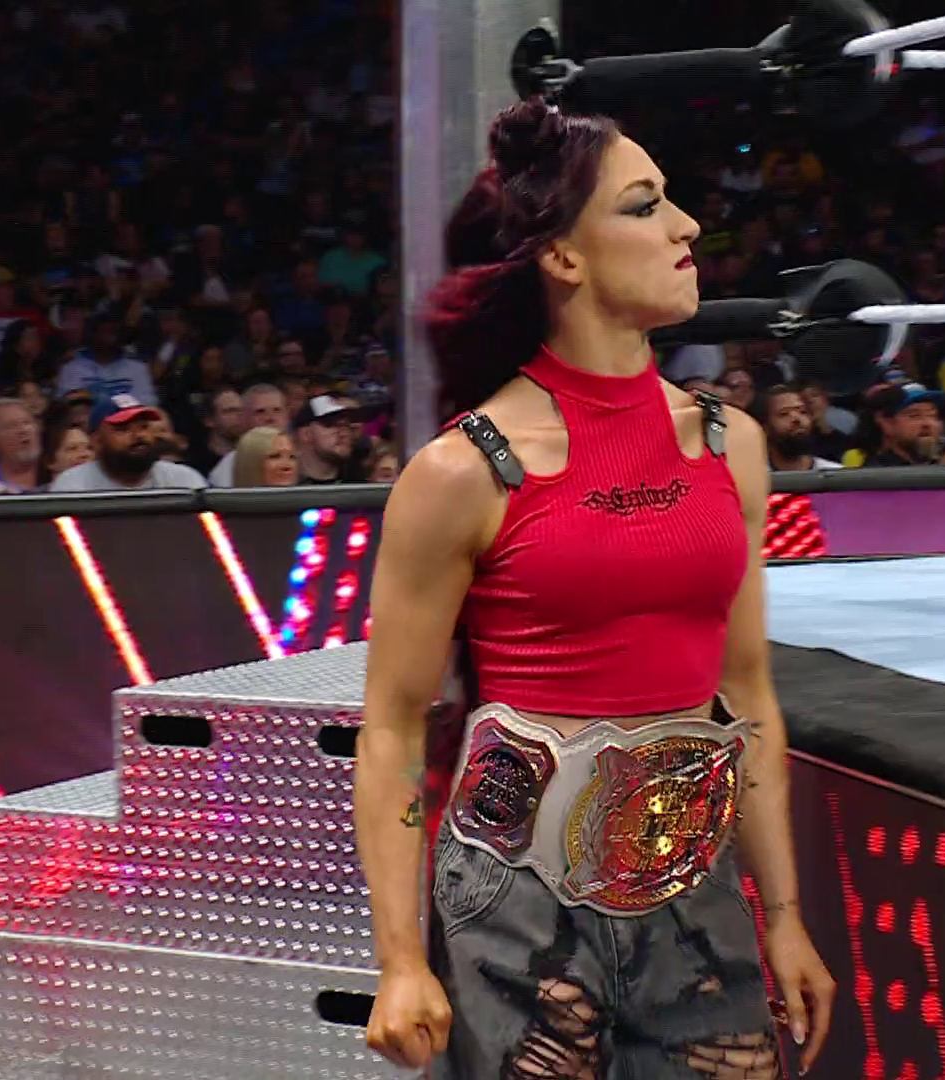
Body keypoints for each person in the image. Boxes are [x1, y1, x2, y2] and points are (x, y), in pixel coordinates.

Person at [356, 100, 833, 1080]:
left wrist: (783, 917)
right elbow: (393, 728)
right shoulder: (462, 473)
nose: (687, 226)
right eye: (644, 205)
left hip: (694, 888)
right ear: (563, 256)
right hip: (516, 900)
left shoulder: (732, 446)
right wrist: (399, 961)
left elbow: (746, 694)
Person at [49, 394, 208, 491]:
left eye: (143, 427)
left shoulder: (184, 480)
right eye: (123, 429)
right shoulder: (73, 486)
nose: (138, 436)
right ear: (97, 441)